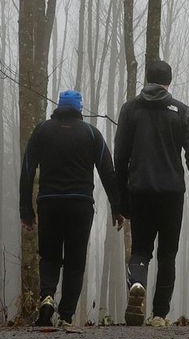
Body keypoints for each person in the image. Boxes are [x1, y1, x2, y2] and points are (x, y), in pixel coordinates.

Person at [114, 59, 189, 326]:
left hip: (139, 191)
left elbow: (120, 157)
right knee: (168, 253)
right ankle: (159, 315)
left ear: (146, 79)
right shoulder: (181, 111)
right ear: (169, 82)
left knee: (141, 249)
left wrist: (121, 199)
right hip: (172, 193)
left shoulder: (130, 110)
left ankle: (137, 285)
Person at [19, 89, 122, 326]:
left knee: (49, 256)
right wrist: (117, 207)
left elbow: (27, 170)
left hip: (49, 203)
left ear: (59, 107)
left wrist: (26, 210)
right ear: (80, 109)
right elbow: (108, 171)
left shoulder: (42, 131)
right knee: (76, 260)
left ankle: (47, 296)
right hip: (80, 204)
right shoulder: (91, 134)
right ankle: (66, 316)